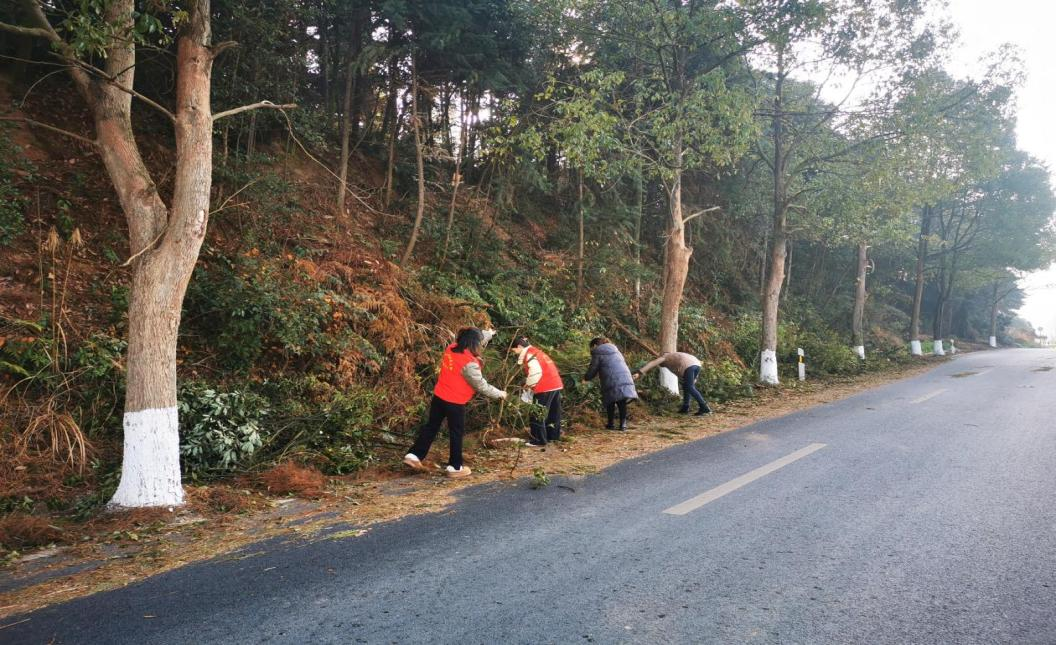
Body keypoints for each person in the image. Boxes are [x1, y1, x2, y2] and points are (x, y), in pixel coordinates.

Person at [404, 327, 506, 477]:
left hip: (439, 396)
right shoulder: (469, 364)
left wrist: (489, 334)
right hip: (455, 402)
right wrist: (500, 394)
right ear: (474, 343)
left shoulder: (451, 348)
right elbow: (481, 385)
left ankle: (414, 455)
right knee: (456, 433)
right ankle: (455, 467)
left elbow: (476, 338)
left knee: (431, 426)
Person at [509, 337, 564, 447]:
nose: (514, 353)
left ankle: (538, 440)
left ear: (519, 347)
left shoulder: (530, 354)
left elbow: (535, 372)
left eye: (513, 350)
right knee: (554, 413)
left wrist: (529, 385)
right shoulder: (536, 351)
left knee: (537, 413)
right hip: (555, 383)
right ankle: (552, 436)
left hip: (544, 386)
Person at [583, 337, 638, 431]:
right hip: (625, 376)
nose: (592, 349)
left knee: (610, 401)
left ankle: (611, 424)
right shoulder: (616, 350)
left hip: (611, 378)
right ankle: (623, 425)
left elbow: (593, 368)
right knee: (622, 402)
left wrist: (586, 378)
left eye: (592, 347)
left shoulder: (598, 352)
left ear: (595, 345)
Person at [634, 351, 712, 416]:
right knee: (686, 386)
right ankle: (685, 407)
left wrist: (639, 372)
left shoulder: (665, 357)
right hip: (696, 364)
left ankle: (704, 407)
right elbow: (689, 366)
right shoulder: (674, 358)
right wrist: (695, 378)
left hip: (689, 366)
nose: (660, 365)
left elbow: (653, 363)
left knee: (689, 387)